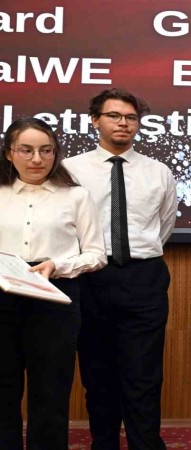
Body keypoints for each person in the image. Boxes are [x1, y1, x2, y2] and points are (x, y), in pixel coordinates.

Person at [63, 89, 178, 450]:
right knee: (97, 375)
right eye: (114, 116)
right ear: (95, 120)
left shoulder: (158, 172)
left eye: (130, 117)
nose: (123, 123)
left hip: (143, 277)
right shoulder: (70, 170)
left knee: (144, 374)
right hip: (89, 277)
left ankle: (146, 444)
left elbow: (164, 226)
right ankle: (104, 443)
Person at [0, 118, 106, 450]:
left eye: (46, 151)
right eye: (26, 150)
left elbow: (96, 254)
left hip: (55, 296)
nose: (37, 159)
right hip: (2, 296)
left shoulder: (76, 196)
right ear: (9, 153)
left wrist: (58, 265)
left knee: (51, 391)